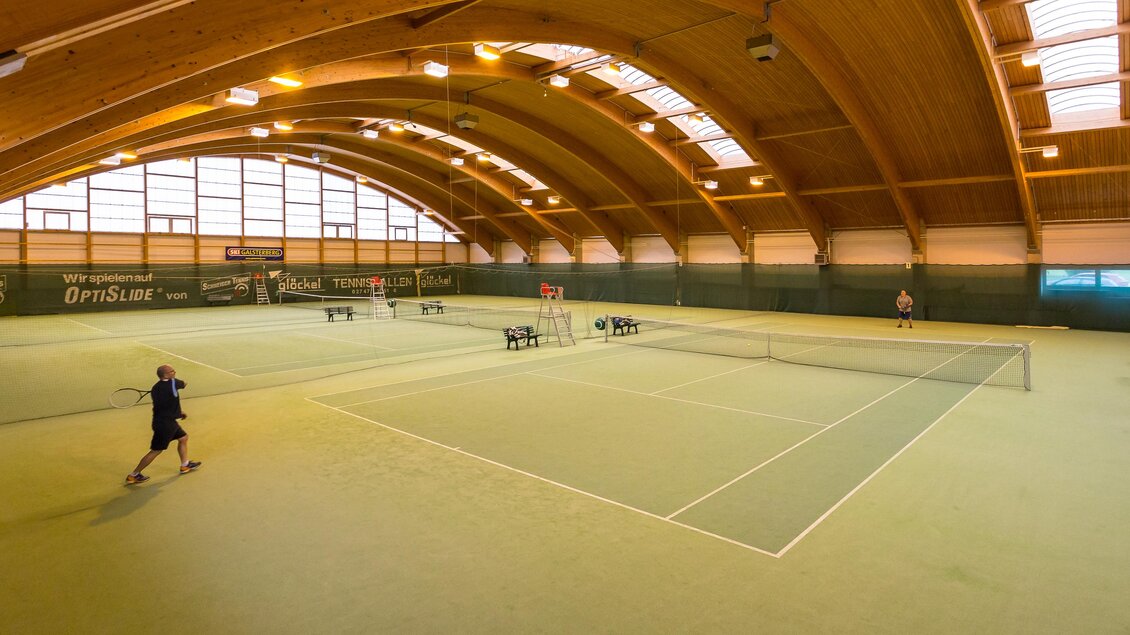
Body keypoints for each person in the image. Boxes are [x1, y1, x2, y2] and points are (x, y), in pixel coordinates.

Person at [125, 364, 201, 484]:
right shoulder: (173, 383)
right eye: (172, 371)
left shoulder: (155, 388)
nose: (174, 372)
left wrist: (178, 412)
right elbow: (184, 383)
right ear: (165, 375)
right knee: (156, 450)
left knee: (183, 438)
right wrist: (177, 413)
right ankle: (133, 475)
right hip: (165, 425)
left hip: (164, 421)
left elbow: (165, 405)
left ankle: (185, 465)